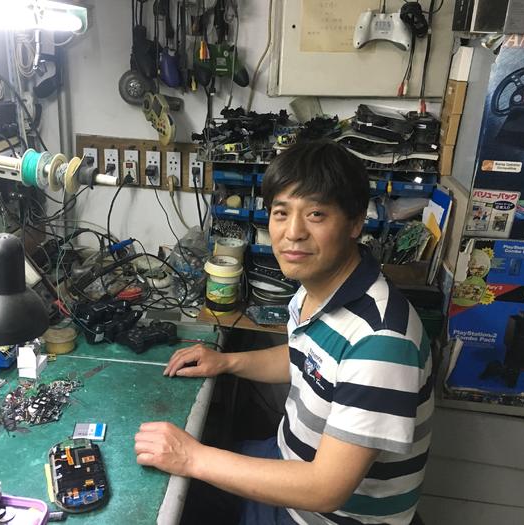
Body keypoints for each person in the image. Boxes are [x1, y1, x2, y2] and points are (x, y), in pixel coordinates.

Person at [134, 141, 433, 525]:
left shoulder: (381, 340)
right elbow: (307, 360)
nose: (293, 232)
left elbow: (326, 489)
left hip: (320, 514)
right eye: (281, 212)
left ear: (356, 223)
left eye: (316, 214)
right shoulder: (316, 289)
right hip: (286, 458)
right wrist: (227, 361)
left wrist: (192, 457)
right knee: (168, 483)